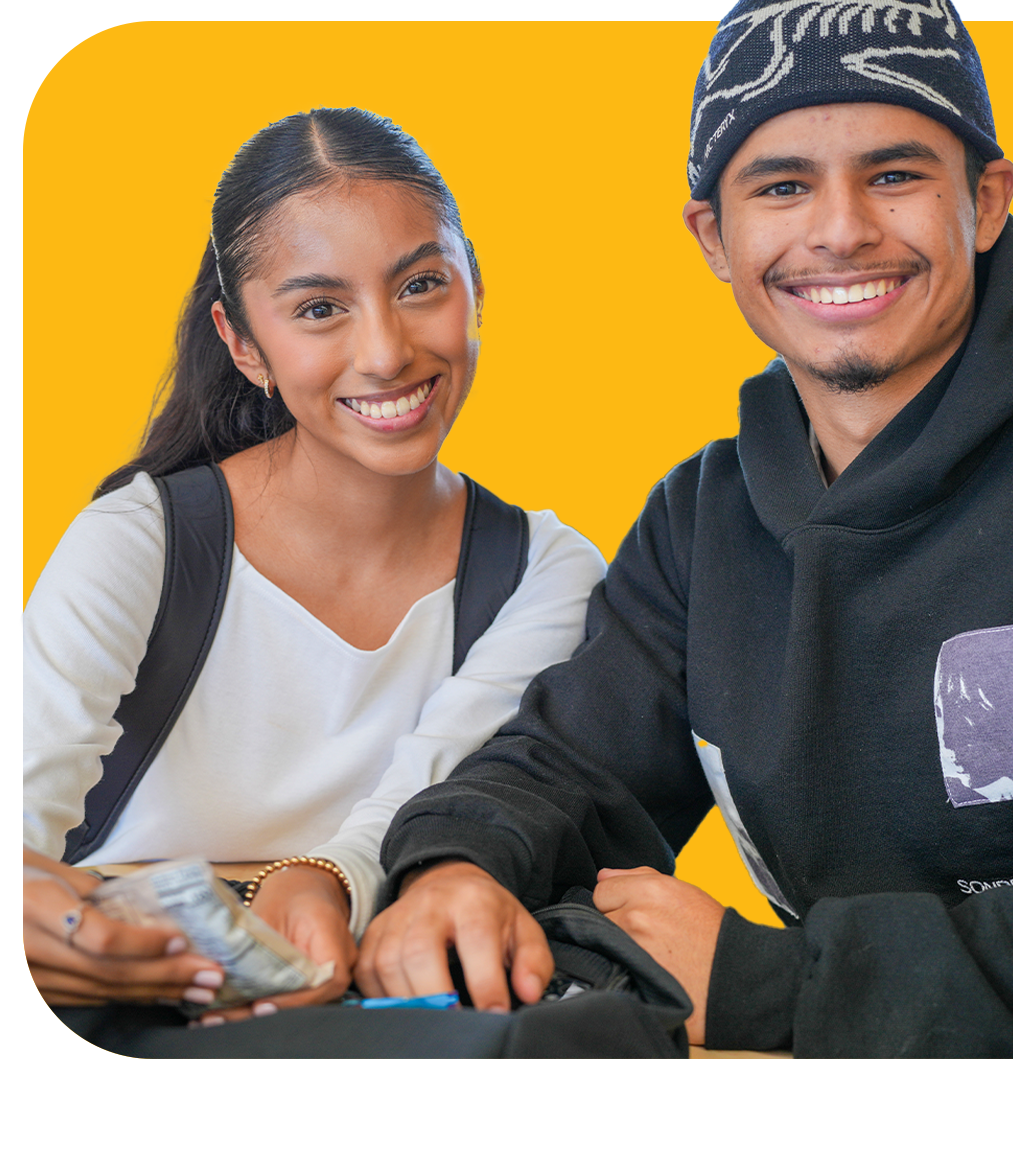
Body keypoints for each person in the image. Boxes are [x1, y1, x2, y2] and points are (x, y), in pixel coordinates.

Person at [354, 0, 1013, 1056]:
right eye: (782, 187)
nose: (840, 230)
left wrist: (762, 979)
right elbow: (571, 766)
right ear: (714, 239)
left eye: (894, 175)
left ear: (984, 201)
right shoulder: (704, 516)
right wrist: (457, 867)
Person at [21, 107, 606, 1024]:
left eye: (421, 285)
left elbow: (431, 796)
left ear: (475, 284)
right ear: (242, 342)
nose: (387, 352)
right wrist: (47, 913)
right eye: (319, 309)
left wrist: (318, 881)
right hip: (127, 1023)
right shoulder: (141, 541)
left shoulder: (545, 571)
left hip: (392, 1021)